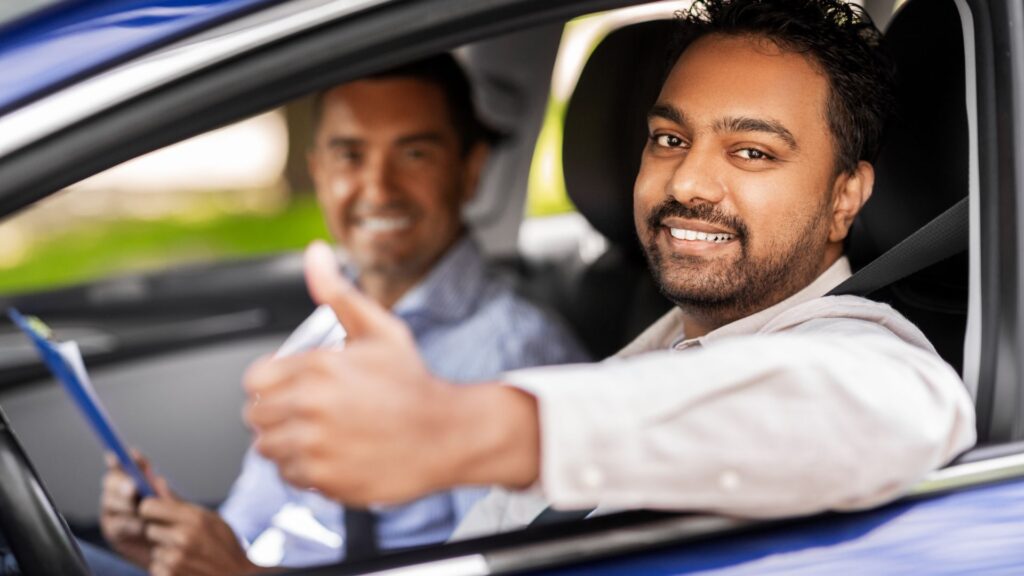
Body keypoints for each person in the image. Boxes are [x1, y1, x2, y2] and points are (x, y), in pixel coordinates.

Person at [241, 0, 977, 541]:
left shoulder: (872, 360)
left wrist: (465, 427)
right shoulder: (653, 351)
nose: (689, 182)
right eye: (668, 138)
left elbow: (875, 406)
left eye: (752, 152)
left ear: (845, 195)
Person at [95, 54, 589, 575]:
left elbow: (495, 569)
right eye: (350, 155)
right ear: (318, 170)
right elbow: (249, 523)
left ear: (470, 171)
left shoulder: (515, 355)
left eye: (414, 154)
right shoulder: (324, 328)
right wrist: (169, 544)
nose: (377, 190)